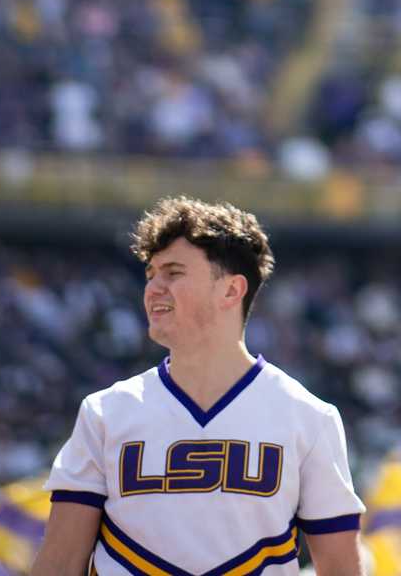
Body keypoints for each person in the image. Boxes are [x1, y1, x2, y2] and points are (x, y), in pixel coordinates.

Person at [30, 196, 364, 576]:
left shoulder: (310, 418)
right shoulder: (104, 412)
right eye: (150, 275)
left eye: (172, 273)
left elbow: (341, 569)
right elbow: (58, 565)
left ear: (231, 291)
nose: (153, 288)